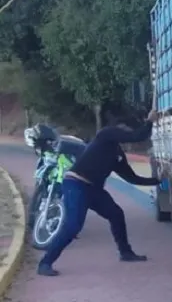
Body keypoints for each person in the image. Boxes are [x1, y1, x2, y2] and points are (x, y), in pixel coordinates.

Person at [37, 110, 162, 277]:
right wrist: (150, 121)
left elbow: (131, 178)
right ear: (117, 128)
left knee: (116, 214)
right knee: (73, 226)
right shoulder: (106, 134)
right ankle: (45, 263)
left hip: (93, 190)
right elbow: (137, 136)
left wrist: (157, 180)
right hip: (75, 184)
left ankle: (125, 252)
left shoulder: (117, 155)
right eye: (123, 130)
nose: (125, 134)